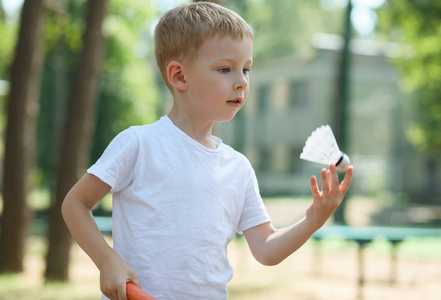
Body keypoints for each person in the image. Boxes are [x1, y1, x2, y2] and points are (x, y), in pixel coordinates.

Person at [61, 2, 353, 300]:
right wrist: (107, 261)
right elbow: (75, 204)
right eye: (225, 69)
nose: (241, 81)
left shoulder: (238, 168)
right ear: (179, 76)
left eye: (246, 69)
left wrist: (314, 219)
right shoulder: (138, 144)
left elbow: (266, 248)